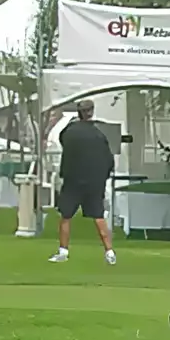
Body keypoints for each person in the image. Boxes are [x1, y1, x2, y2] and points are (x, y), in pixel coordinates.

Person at [52, 100, 115, 265]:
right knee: (98, 215)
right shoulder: (99, 135)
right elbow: (109, 159)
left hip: (73, 180)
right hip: (94, 182)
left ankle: (63, 251)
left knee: (66, 215)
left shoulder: (70, 131)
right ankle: (109, 252)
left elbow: (63, 141)